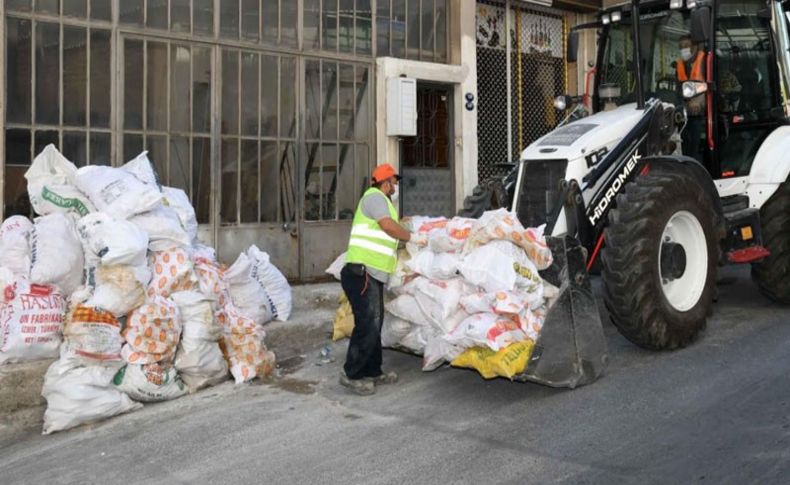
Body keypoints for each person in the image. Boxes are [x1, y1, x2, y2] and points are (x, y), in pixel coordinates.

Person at [339, 163, 427, 395]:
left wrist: (403, 229)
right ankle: (352, 374)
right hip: (362, 273)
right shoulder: (375, 197)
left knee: (374, 324)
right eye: (394, 183)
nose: (395, 187)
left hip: (372, 275)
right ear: (385, 182)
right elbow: (387, 226)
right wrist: (411, 237)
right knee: (367, 324)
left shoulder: (382, 203)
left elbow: (387, 230)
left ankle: (373, 370)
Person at [676, 35, 707, 162]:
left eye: (686, 46)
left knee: (694, 148)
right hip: (685, 113)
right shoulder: (680, 65)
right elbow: (679, 89)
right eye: (681, 47)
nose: (684, 49)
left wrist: (698, 101)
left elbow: (708, 85)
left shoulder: (704, 61)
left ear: (694, 47)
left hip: (700, 113)